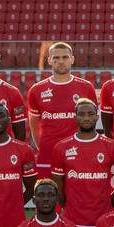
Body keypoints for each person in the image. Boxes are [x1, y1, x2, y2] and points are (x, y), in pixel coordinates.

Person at [50, 98, 114, 227]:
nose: (86, 118)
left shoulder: (112, 147)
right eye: (82, 114)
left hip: (103, 220)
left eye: (90, 114)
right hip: (73, 221)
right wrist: (69, 207)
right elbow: (57, 186)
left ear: (97, 116)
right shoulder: (62, 147)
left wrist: (107, 205)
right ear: (75, 117)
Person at [26, 41, 97, 179]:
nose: (60, 61)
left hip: (80, 151)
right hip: (48, 153)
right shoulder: (37, 90)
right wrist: (42, 146)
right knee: (48, 195)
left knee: (78, 195)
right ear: (49, 60)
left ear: (72, 59)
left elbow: (92, 122)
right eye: (56, 58)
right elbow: (34, 124)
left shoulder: (86, 87)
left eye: (65, 57)